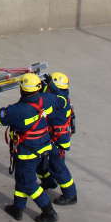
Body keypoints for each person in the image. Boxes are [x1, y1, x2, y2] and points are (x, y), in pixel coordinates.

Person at [0, 73, 59, 222]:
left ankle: (49, 212)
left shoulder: (18, 110)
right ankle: (17, 208)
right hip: (43, 147)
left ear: (21, 90)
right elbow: (59, 98)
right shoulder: (47, 99)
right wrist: (50, 86)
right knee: (21, 179)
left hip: (27, 152)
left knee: (28, 183)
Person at [38, 72, 78, 205]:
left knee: (58, 167)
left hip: (56, 141)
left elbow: (44, 104)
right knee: (41, 163)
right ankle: (49, 181)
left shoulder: (59, 102)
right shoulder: (61, 96)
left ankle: (70, 195)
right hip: (51, 138)